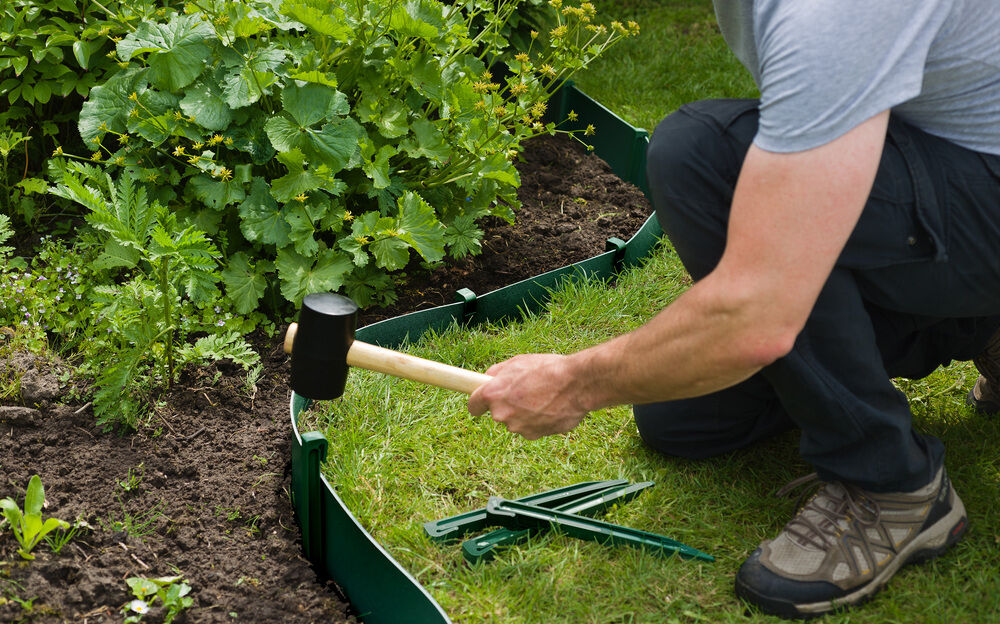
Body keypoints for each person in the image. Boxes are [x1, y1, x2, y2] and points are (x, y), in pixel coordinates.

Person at [468, 0, 1000, 618]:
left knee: (702, 155)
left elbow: (754, 317)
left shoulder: (827, 16)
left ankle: (889, 484)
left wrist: (573, 383)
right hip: (954, 165)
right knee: (683, 419)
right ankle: (975, 324)